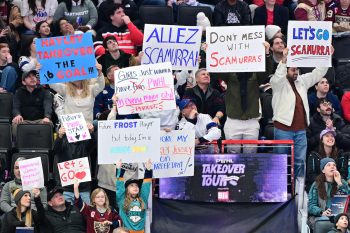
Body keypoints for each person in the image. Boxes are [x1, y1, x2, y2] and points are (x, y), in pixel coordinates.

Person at [270, 47, 331, 178]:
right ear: (286, 70)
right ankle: (280, 192)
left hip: (301, 131)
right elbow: (277, 77)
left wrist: (327, 56)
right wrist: (283, 62)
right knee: (281, 163)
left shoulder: (301, 81)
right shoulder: (278, 84)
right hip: (283, 130)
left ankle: (299, 192)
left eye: (297, 69)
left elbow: (318, 73)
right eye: (293, 70)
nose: (296, 72)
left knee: (300, 163)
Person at [222, 42, 273, 153]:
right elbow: (216, 72)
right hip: (233, 121)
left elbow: (267, 70)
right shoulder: (230, 75)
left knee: (250, 155)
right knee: (232, 155)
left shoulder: (255, 75)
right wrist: (209, 54)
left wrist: (267, 53)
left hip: (252, 121)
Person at [53, 124, 94, 204]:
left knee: (86, 213)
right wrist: (60, 136)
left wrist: (91, 133)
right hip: (66, 188)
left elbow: (92, 145)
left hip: (83, 188)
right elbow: (55, 149)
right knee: (68, 214)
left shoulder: (85, 143)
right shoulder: (62, 142)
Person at [308, 158, 350, 230]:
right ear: (323, 170)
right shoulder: (316, 184)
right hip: (322, 215)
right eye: (328, 165)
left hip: (341, 215)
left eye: (334, 165)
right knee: (323, 223)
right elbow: (311, 205)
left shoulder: (342, 183)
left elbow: (347, 200)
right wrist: (321, 212)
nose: (332, 167)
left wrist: (339, 183)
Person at [12, 70, 53, 137]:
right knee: (15, 123)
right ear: (23, 82)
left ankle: (45, 146)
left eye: (34, 76)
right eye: (28, 77)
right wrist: (17, 114)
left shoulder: (44, 91)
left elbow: (48, 105)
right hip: (24, 120)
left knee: (49, 123)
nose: (32, 78)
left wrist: (47, 117)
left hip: (40, 120)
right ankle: (18, 146)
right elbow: (15, 106)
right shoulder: (19, 92)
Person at [116, 160, 152, 233]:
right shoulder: (122, 199)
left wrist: (148, 170)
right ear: (126, 189)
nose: (135, 187)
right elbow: (119, 184)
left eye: (136, 185)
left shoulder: (142, 198)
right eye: (132, 185)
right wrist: (119, 169)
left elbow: (146, 185)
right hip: (126, 231)